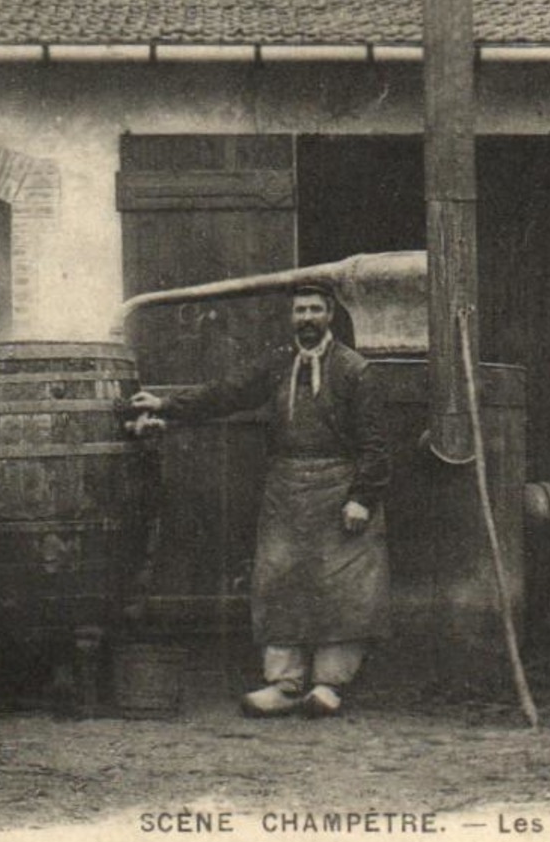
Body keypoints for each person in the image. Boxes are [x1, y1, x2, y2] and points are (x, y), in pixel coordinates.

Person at [128, 282, 391, 718]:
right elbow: (227, 392)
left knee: (343, 583)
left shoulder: (354, 370)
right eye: (299, 311)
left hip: (340, 489)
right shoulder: (277, 363)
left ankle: (329, 684)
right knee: (279, 578)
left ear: (330, 316)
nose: (306, 318)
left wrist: (361, 497)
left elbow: (376, 446)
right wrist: (168, 404)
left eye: (315, 310)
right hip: (285, 487)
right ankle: (285, 683)